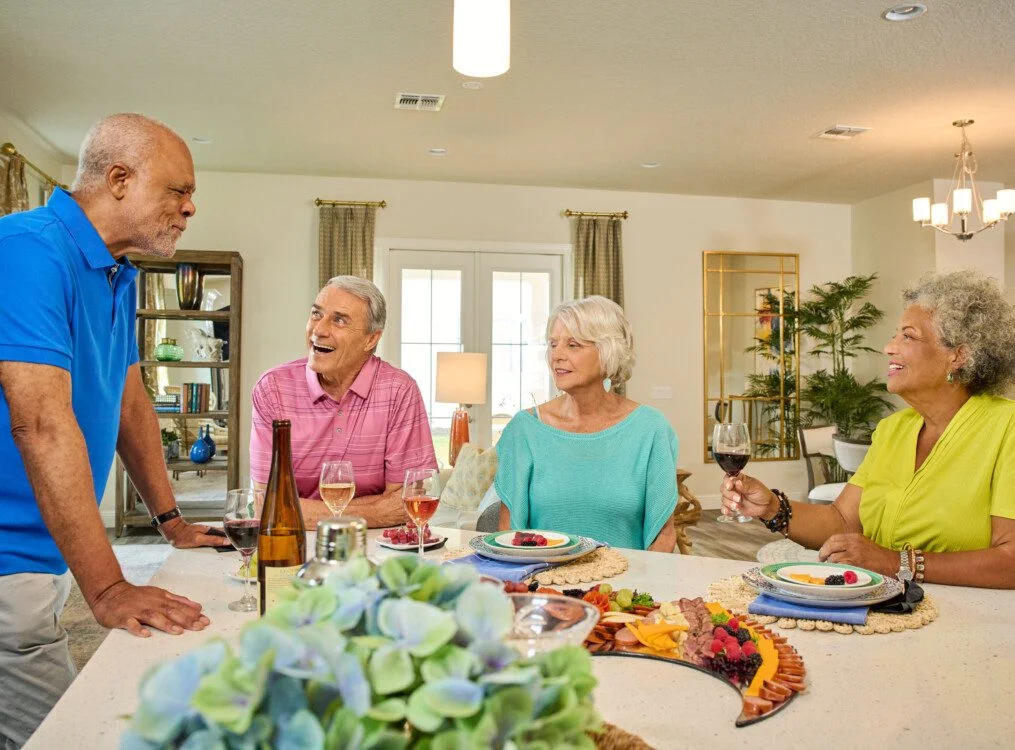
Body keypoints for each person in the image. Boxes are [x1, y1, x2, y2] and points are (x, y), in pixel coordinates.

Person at [0, 113, 224, 747]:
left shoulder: (117, 271)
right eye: (178, 190)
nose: (190, 207)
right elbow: (40, 422)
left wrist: (171, 520)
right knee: (75, 734)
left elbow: (130, 404)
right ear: (119, 179)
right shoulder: (26, 249)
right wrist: (107, 587)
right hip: (6, 561)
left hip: (40, 556)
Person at [722, 271, 1015, 588]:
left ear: (958, 355)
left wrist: (896, 563)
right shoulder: (893, 430)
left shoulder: (1006, 428)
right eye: (895, 335)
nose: (889, 347)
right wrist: (771, 507)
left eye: (908, 336)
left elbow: (1010, 560)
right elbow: (843, 521)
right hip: (885, 611)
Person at [250, 276, 437, 527]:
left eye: (339, 320)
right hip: (295, 541)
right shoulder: (272, 389)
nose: (319, 330)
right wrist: (377, 509)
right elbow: (266, 504)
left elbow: (409, 503)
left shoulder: (399, 391)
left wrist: (298, 509)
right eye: (317, 314)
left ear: (371, 339)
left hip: (378, 546)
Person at [496, 296, 678, 551]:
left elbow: (665, 537)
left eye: (573, 345)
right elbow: (508, 535)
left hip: (627, 585)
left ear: (608, 351)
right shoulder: (524, 430)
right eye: (553, 344)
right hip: (544, 584)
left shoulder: (651, 429)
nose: (557, 356)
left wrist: (636, 589)